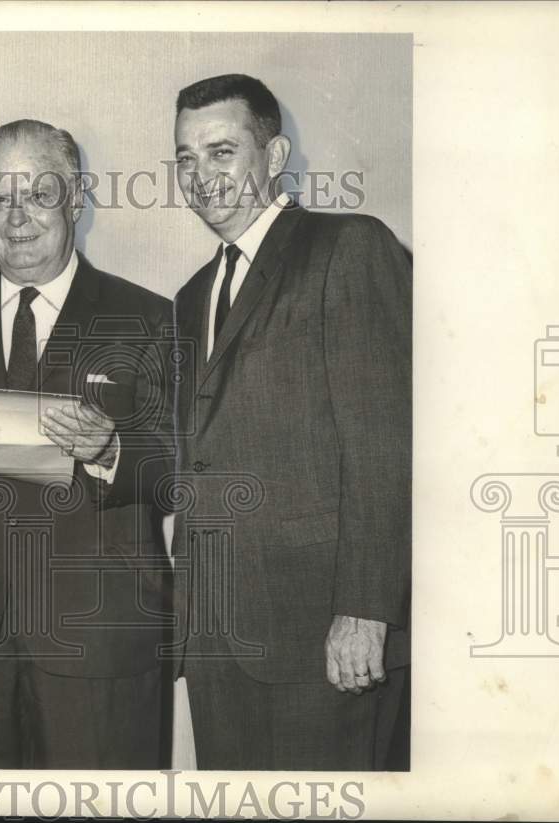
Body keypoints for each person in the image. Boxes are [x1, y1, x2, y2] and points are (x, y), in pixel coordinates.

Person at [0, 119, 174, 769]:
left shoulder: (149, 317)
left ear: (76, 199)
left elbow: (184, 467)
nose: (15, 217)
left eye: (39, 195)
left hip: (99, 641)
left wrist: (111, 451)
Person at [169, 74, 411, 770]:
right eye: (185, 157)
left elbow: (386, 442)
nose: (201, 174)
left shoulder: (349, 246)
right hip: (216, 638)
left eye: (221, 151)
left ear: (274, 156)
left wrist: (365, 610)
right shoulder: (192, 295)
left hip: (325, 636)